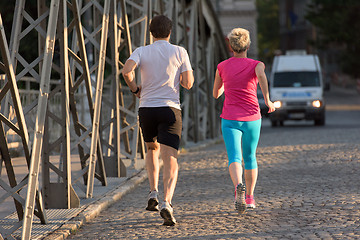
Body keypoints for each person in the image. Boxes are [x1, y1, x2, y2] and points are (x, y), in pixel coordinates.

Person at [122, 15, 194, 225]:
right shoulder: (179, 51)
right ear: (170, 32)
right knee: (170, 158)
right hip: (170, 109)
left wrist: (136, 88)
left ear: (151, 32)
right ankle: (166, 202)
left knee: (152, 149)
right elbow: (188, 83)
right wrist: (179, 77)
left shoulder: (141, 51)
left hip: (147, 109)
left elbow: (127, 71)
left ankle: (153, 192)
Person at [212, 28, 275, 214]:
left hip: (230, 118)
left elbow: (216, 94)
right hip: (252, 118)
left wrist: (226, 84)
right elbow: (262, 77)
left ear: (230, 46)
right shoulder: (257, 65)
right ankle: (249, 198)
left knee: (234, 157)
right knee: (250, 157)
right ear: (248, 45)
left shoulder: (222, 67)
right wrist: (268, 99)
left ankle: (238, 185)